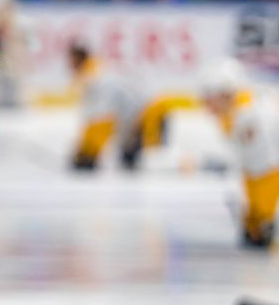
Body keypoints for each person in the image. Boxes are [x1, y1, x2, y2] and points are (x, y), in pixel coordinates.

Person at [67, 41, 196, 171]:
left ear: (78, 58)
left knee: (152, 159)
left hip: (150, 116)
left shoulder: (95, 79)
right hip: (141, 116)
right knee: (131, 161)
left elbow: (101, 121)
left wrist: (88, 153)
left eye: (71, 60)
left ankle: (190, 163)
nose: (68, 65)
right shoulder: (95, 73)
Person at [200, 57, 279, 248]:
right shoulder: (236, 113)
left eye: (211, 96)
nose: (207, 104)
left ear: (226, 93)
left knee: (259, 220)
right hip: (261, 171)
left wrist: (261, 215)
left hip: (267, 169)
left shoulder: (249, 114)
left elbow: (265, 168)